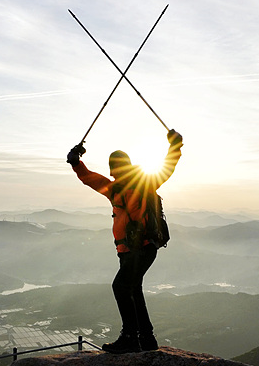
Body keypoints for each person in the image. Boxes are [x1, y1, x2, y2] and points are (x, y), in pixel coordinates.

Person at [66, 129, 183, 353]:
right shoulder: (126, 186)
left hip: (139, 249)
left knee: (121, 287)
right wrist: (76, 163)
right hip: (135, 250)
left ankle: (130, 337)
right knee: (133, 289)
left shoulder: (134, 185)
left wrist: (75, 160)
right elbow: (89, 178)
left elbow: (89, 179)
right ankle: (147, 339)